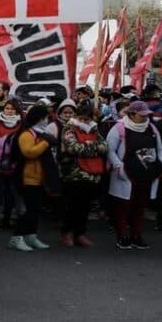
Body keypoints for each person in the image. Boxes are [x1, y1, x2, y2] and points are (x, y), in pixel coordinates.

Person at [107, 100, 162, 251]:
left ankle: (136, 235)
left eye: (147, 115)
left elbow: (159, 148)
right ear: (131, 114)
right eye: (141, 115)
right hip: (126, 175)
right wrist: (119, 167)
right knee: (124, 207)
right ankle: (122, 236)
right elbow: (110, 150)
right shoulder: (119, 128)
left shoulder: (151, 128)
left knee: (139, 207)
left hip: (147, 174)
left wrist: (160, 164)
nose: (145, 118)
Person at [9, 105, 58, 252]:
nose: (46, 120)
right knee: (28, 210)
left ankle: (31, 235)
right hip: (28, 178)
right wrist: (45, 143)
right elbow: (29, 153)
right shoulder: (26, 135)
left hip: (39, 178)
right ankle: (16, 237)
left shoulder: (39, 133)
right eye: (45, 118)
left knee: (35, 210)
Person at [59, 104, 108, 248]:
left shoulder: (94, 128)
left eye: (87, 119)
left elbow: (104, 146)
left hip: (92, 174)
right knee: (73, 205)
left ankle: (80, 233)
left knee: (85, 206)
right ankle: (66, 232)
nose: (85, 122)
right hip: (75, 174)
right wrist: (93, 147)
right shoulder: (69, 128)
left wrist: (87, 145)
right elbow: (74, 148)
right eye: (82, 119)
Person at [0, 99, 23, 229]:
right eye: (7, 108)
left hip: (14, 164)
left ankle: (9, 217)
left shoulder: (21, 124)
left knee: (12, 191)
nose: (9, 111)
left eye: (12, 109)